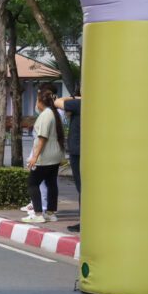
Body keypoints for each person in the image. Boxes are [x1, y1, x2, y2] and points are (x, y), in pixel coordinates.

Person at [22, 89, 65, 224]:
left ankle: (38, 213)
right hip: (55, 155)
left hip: (45, 156)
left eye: (37, 100)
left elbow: (42, 138)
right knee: (51, 183)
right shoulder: (54, 113)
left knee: (32, 183)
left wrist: (35, 156)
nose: (36, 103)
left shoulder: (46, 115)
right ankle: (51, 213)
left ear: (41, 101)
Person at [55, 91, 82, 233]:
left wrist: (74, 97)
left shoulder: (80, 104)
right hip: (85, 150)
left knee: (82, 187)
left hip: (78, 151)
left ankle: (85, 221)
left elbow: (57, 102)